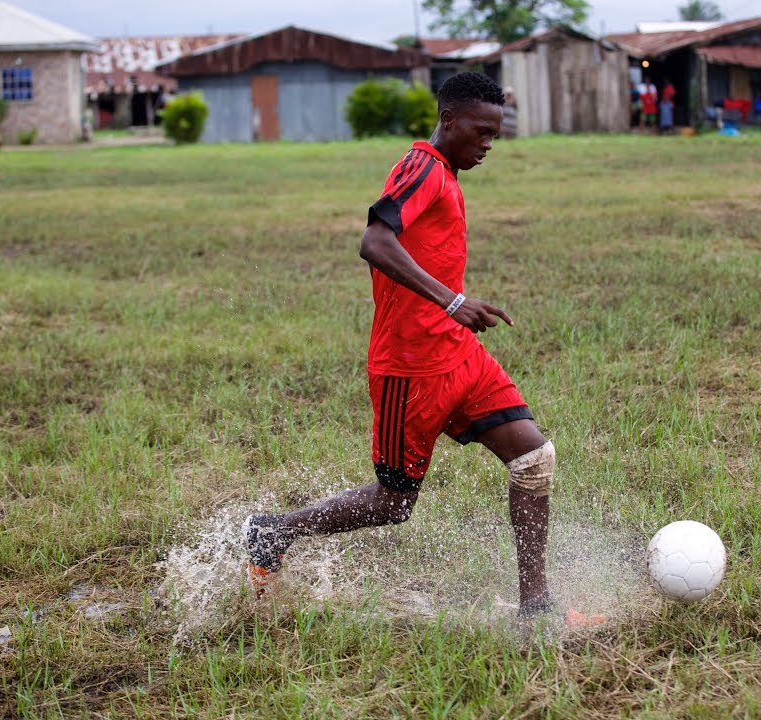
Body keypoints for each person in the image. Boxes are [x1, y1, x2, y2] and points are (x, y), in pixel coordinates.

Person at [242, 72, 601, 627]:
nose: (487, 144)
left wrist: (453, 315)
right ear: (449, 120)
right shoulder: (422, 168)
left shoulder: (448, 174)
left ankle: (536, 607)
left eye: (495, 136)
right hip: (409, 368)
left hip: (459, 357)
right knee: (394, 504)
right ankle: (276, 530)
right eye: (480, 132)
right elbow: (374, 241)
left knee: (533, 460)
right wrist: (452, 301)